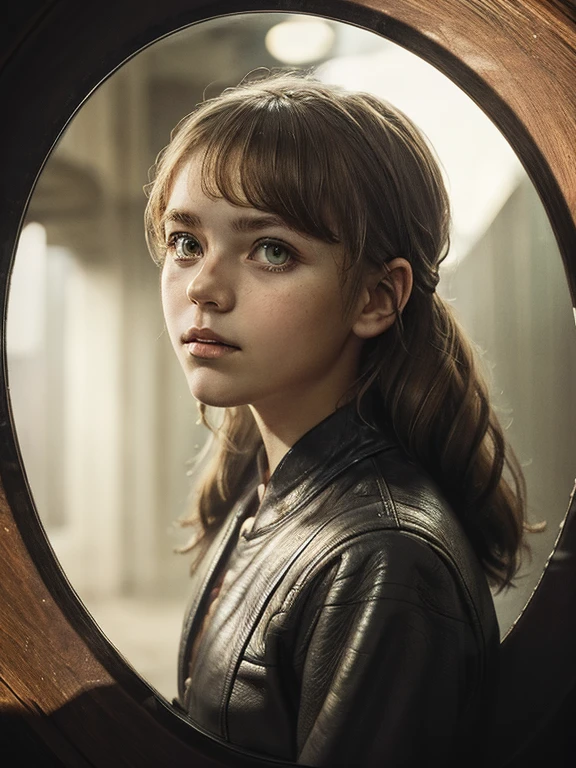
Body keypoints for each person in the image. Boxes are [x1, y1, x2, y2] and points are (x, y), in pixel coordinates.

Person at [144, 70, 528, 767]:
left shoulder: (382, 557)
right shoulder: (264, 487)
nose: (202, 286)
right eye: (185, 242)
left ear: (377, 298)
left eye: (271, 250)